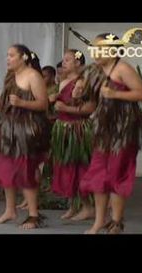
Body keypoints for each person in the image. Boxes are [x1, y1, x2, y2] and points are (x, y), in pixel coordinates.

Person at [79, 33, 142, 234]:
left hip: (123, 129)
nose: (96, 52)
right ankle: (99, 221)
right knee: (99, 174)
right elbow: (92, 102)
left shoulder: (123, 68)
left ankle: (116, 222)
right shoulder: (94, 71)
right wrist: (78, 97)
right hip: (103, 129)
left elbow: (141, 93)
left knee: (117, 173)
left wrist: (116, 93)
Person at [0, 44, 50, 229]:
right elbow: (5, 104)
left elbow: (43, 104)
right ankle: (10, 209)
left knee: (26, 171)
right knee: (5, 169)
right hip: (9, 130)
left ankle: (33, 214)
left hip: (27, 130)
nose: (8, 58)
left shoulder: (33, 76)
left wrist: (22, 102)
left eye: (11, 55)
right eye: (7, 55)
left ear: (23, 57)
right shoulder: (10, 76)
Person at [51, 49, 95, 221]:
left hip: (77, 129)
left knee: (80, 168)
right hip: (63, 129)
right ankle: (73, 205)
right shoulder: (63, 81)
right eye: (63, 60)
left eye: (68, 60)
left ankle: (87, 206)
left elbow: (90, 108)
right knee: (67, 167)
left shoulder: (83, 82)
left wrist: (66, 108)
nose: (64, 63)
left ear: (77, 63)